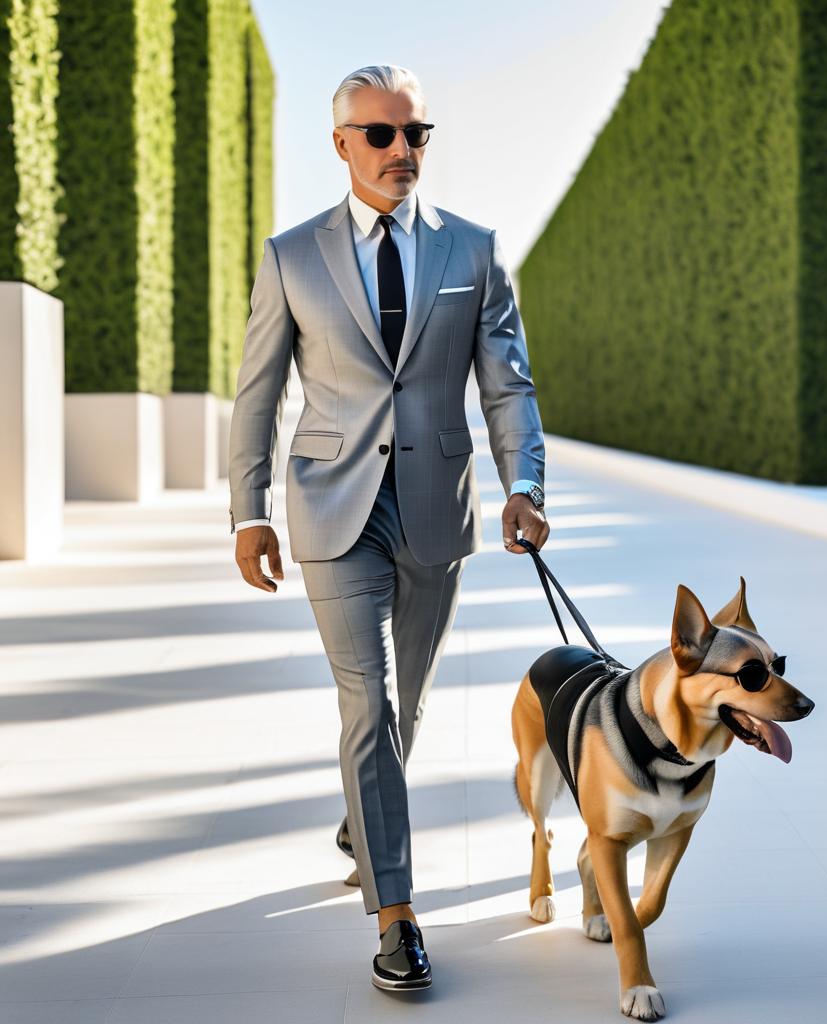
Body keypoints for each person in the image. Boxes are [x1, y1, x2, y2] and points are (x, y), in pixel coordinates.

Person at [227, 64, 549, 991]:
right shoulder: (292, 255)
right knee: (365, 702)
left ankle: (363, 817)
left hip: (436, 508)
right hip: (332, 504)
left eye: (416, 135)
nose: (403, 152)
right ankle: (398, 915)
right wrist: (248, 509)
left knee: (402, 706)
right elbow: (258, 393)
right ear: (342, 145)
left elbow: (508, 386)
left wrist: (524, 482)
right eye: (382, 136)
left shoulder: (474, 251)